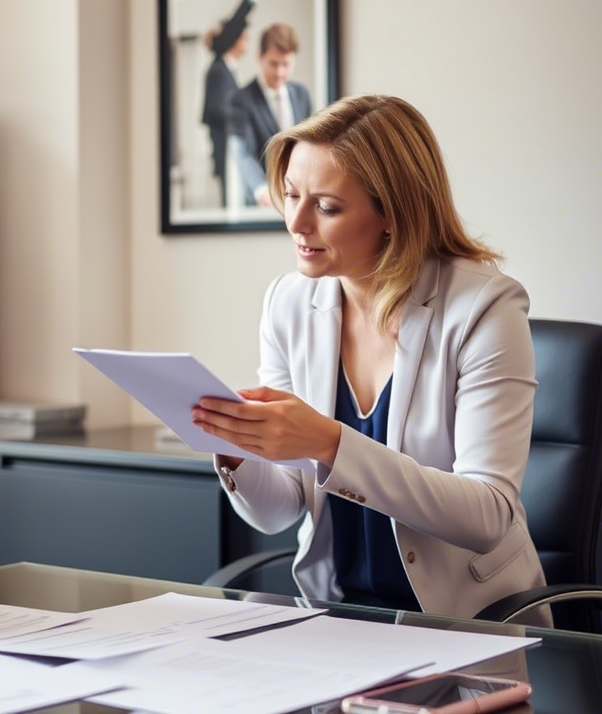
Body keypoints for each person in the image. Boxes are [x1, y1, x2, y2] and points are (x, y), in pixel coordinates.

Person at [192, 95, 551, 627]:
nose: (296, 222)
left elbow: (488, 515)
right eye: (290, 195)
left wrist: (327, 441)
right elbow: (280, 509)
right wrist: (236, 448)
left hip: (469, 626)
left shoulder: (485, 308)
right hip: (338, 622)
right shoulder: (288, 302)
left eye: (327, 206)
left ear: (392, 213)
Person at [230, 23, 313, 207]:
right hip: (261, 203)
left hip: (300, 201)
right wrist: (261, 189)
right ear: (260, 58)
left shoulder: (301, 95)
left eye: (286, 64)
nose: (280, 72)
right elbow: (243, 153)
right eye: (274, 64)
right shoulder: (241, 100)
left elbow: (310, 147)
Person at [199, 0, 257, 188]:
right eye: (243, 35)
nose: (247, 39)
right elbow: (218, 110)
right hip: (226, 147)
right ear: (233, 39)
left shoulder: (228, 69)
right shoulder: (218, 70)